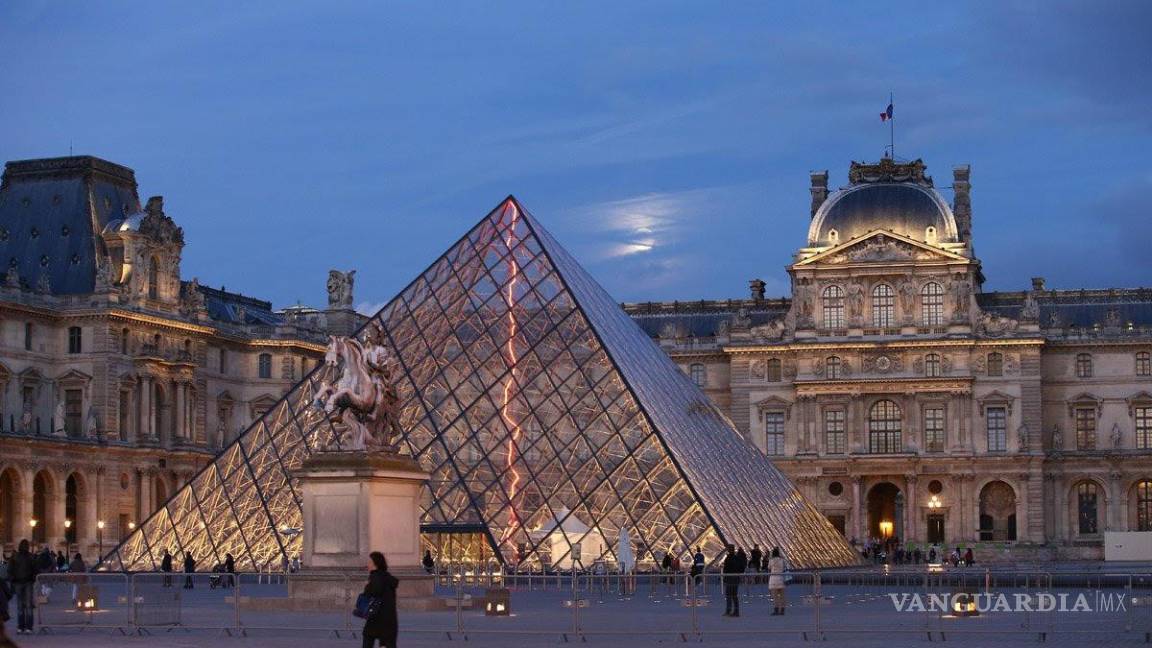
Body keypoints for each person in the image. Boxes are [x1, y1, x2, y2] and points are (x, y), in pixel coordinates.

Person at [362, 551, 399, 648]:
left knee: (367, 639)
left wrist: (367, 587)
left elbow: (374, 592)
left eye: (369, 562)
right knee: (387, 643)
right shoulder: (387, 577)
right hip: (389, 619)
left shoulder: (375, 577)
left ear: (375, 564)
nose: (367, 564)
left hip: (376, 617)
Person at [9, 540, 37, 635]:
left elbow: (10, 569)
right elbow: (35, 569)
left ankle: (20, 627)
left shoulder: (15, 556)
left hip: (18, 582)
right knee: (28, 606)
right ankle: (29, 627)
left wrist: (12, 579)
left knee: (20, 606)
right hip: (28, 582)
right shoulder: (31, 556)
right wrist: (33, 579)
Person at [721, 544, 742, 617]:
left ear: (729, 550)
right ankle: (736, 611)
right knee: (734, 595)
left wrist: (724, 577)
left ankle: (728, 610)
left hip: (730, 578)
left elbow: (726, 569)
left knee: (729, 595)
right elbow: (741, 568)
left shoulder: (728, 558)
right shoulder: (737, 558)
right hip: (736, 578)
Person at [767, 546, 786, 615]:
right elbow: (784, 567)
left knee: (775, 596)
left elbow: (769, 568)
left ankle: (776, 609)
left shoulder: (771, 560)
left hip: (773, 579)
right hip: (781, 578)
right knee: (782, 596)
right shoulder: (782, 560)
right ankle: (782, 610)